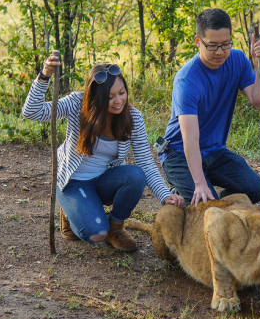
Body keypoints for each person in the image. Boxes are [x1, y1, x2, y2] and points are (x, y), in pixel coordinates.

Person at [22, 55, 184, 252]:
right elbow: (32, 111)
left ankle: (115, 228)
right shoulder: (76, 104)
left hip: (104, 182)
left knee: (135, 176)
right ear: (96, 97)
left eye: (122, 93)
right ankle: (73, 211)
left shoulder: (133, 117)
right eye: (110, 97)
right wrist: (44, 75)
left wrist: (165, 195)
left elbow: (146, 162)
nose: (118, 101)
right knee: (95, 233)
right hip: (73, 183)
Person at [159, 8, 260, 207]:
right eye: (212, 46)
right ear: (198, 42)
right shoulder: (187, 80)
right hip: (179, 155)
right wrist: (200, 184)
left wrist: (258, 66)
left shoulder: (236, 60)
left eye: (225, 44)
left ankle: (204, 195)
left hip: (214, 152)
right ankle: (184, 192)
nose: (220, 52)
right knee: (208, 204)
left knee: (256, 189)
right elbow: (190, 139)